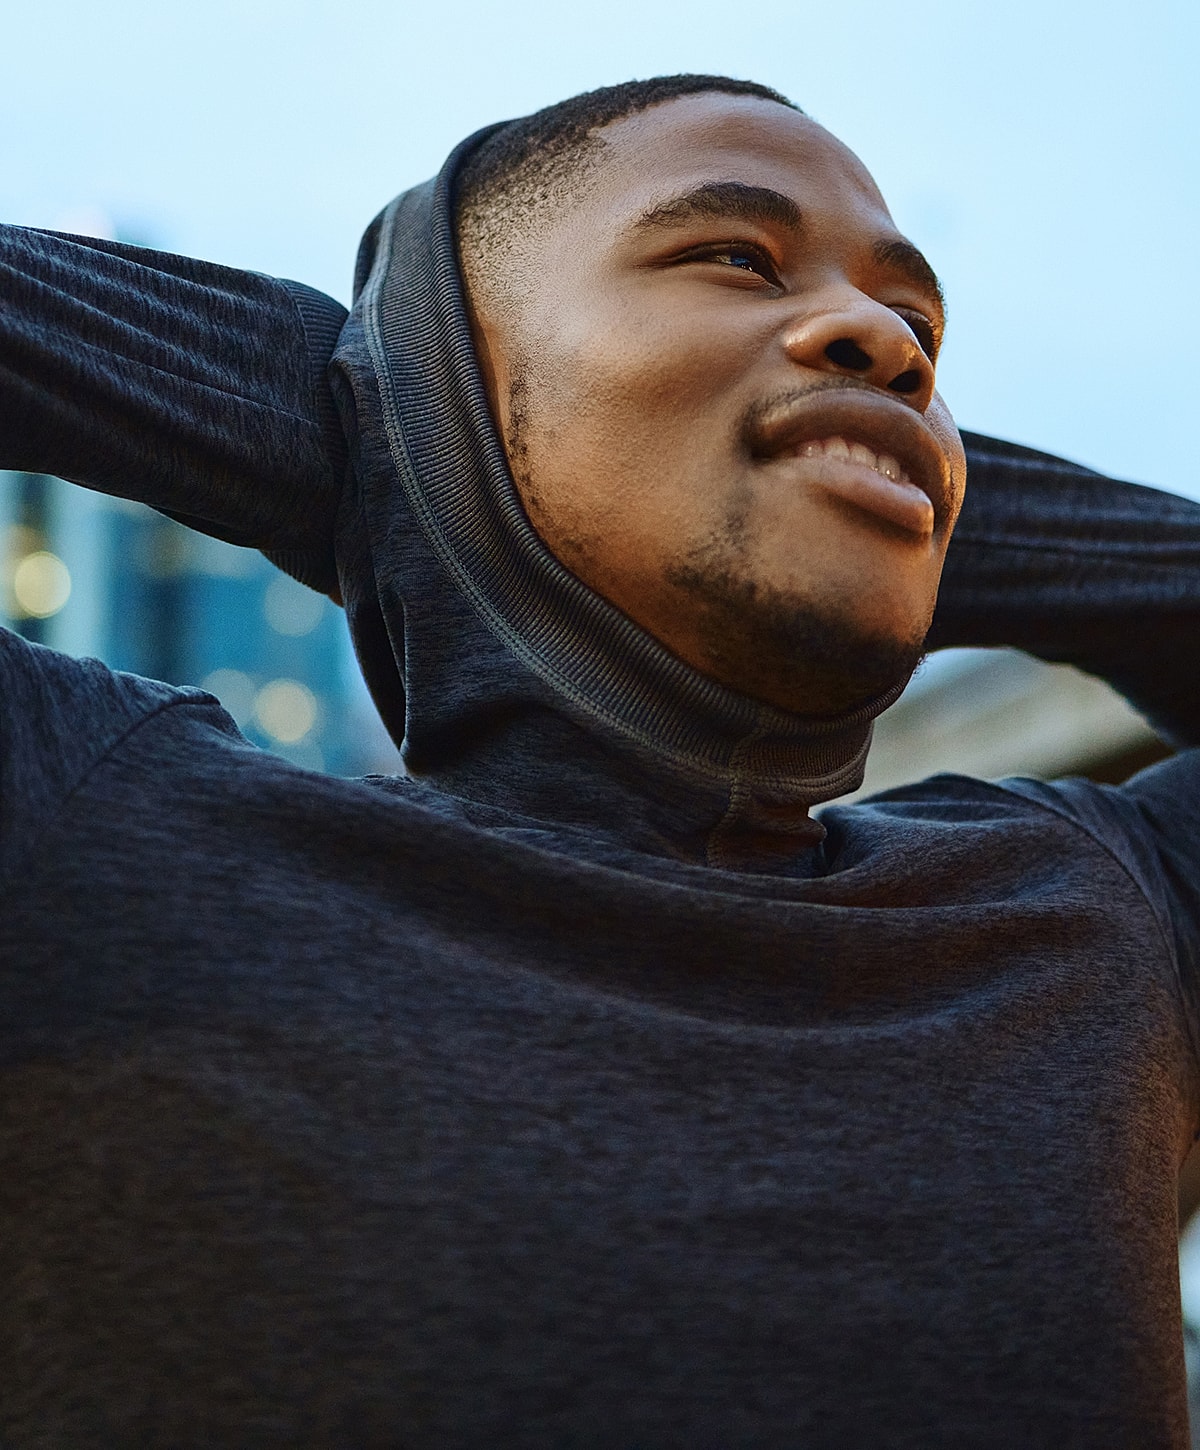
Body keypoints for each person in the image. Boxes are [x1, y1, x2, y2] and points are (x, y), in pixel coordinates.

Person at [3, 72, 1200, 1448]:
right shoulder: (91, 820)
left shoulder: (1095, 913)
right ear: (453, 372)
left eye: (919, 325)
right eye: (734, 257)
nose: (882, 335)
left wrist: (862, 465)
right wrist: (359, 413)